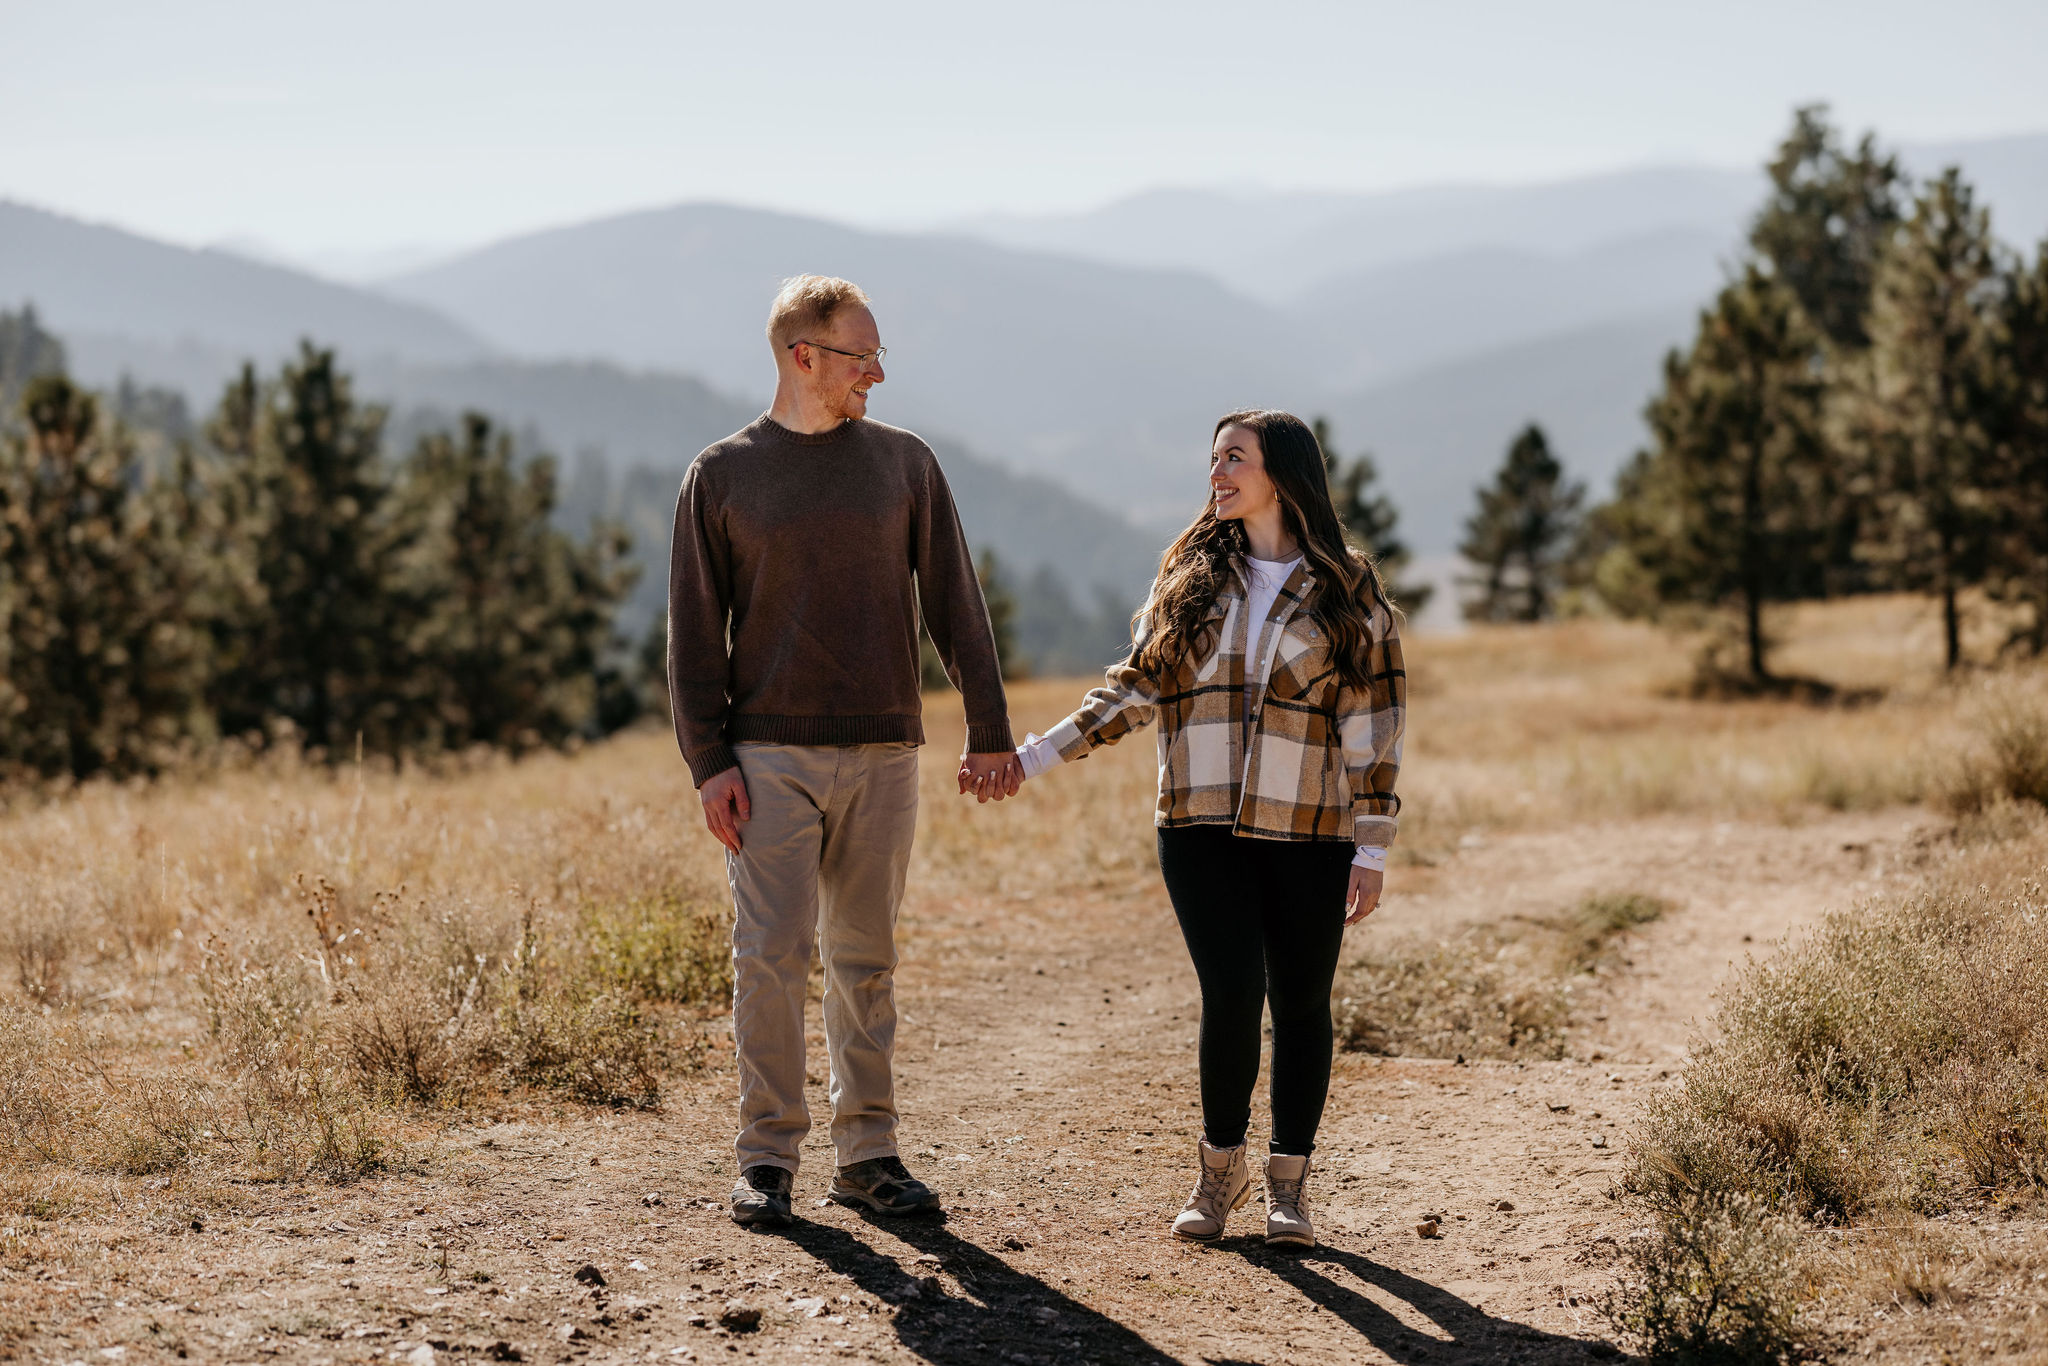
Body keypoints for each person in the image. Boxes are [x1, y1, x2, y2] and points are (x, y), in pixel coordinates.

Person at [999, 409, 1405, 1249]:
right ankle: (1219, 1174)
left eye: (1234, 459)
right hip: (1199, 823)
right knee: (1230, 994)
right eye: (1213, 459)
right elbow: (1135, 689)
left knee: (1300, 1003)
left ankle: (1289, 1188)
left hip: (1310, 828)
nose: (1216, 474)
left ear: (1282, 475)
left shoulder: (1348, 588)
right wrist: (1035, 755)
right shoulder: (1189, 574)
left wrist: (1371, 846)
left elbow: (1374, 721)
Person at [668, 274, 1022, 1229]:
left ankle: (868, 1155)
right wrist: (709, 764)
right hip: (767, 754)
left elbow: (956, 601)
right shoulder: (724, 473)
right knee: (770, 958)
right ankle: (767, 1160)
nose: (876, 370)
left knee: (867, 960)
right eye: (860, 354)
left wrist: (987, 728)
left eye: (877, 354)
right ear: (802, 357)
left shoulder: (904, 463)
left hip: (885, 753)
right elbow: (694, 638)